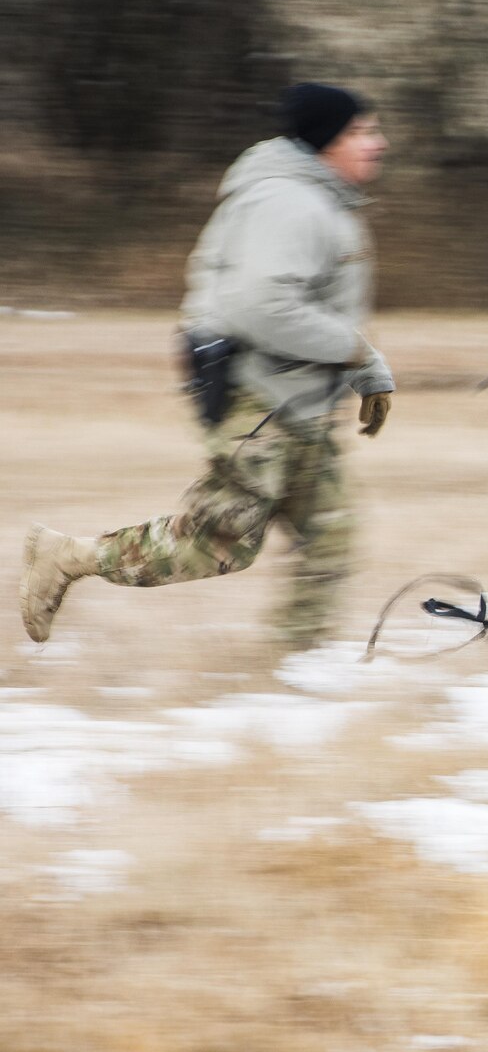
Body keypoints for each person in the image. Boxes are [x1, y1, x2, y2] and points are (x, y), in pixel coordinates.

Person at [20, 83, 395, 651]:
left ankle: (297, 672)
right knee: (216, 542)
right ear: (326, 141)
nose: (378, 143)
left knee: (329, 539)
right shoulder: (288, 203)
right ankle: (67, 556)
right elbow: (262, 306)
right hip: (261, 402)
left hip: (294, 404)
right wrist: (360, 355)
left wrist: (365, 371)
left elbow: (318, 310)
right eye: (362, 132)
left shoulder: (317, 199)